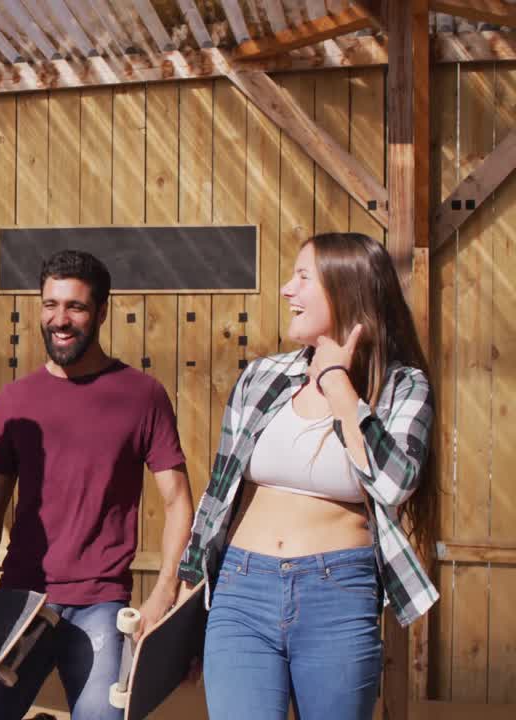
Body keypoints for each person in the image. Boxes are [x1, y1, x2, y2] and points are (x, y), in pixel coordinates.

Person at [179, 233, 438, 720]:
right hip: (240, 588)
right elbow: (218, 495)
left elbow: (395, 484)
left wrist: (337, 383)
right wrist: (187, 598)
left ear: (347, 288)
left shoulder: (402, 387)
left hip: (338, 594)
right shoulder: (261, 376)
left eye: (303, 277)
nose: (286, 289)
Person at [0, 250, 194, 720]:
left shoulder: (142, 396)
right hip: (20, 602)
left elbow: (177, 502)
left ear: (102, 312)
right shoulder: (15, 401)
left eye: (75, 307)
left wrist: (163, 594)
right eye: (50, 305)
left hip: (101, 606)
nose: (60, 319)